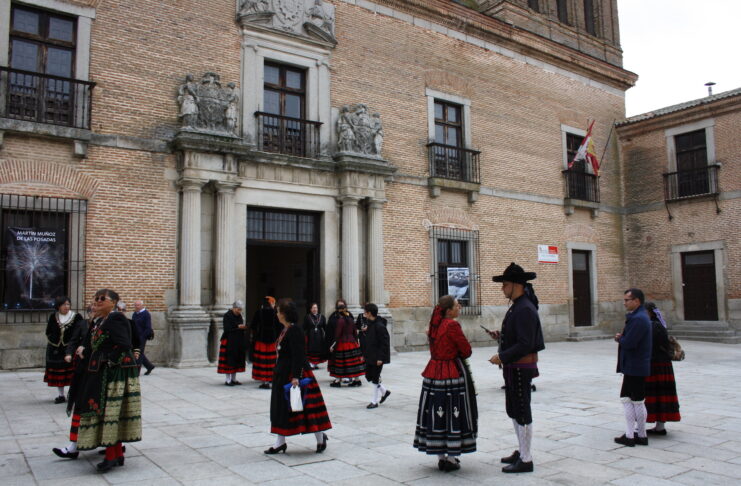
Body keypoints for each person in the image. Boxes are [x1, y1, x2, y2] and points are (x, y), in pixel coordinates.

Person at [53, 288, 142, 472]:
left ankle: (112, 456)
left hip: (112, 376)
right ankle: (116, 455)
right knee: (108, 414)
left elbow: (124, 344)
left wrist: (105, 359)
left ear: (114, 302)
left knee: (110, 413)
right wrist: (85, 350)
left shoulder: (116, 318)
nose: (98, 301)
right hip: (101, 373)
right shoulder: (99, 320)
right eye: (96, 298)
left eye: (103, 298)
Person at [488, 263, 545, 473]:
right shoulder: (518, 306)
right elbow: (517, 335)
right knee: (514, 409)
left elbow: (526, 343)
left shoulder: (525, 308)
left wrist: (501, 356)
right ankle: (521, 450)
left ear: (516, 285)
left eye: (505, 285)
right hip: (514, 367)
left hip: (521, 367)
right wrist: (501, 336)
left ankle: (526, 458)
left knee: (522, 410)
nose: (502, 289)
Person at [413, 295, 477, 472]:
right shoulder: (452, 325)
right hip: (450, 372)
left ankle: (440, 456)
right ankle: (452, 456)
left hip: (433, 373)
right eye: (457, 305)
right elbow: (466, 350)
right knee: (453, 412)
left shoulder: (434, 325)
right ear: (449, 310)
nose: (460, 308)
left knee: (435, 411)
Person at [265, 298, 332, 455]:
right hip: (282, 373)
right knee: (282, 409)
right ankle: (280, 442)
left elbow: (299, 354)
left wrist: (295, 376)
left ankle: (320, 437)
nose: (276, 314)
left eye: (278, 311)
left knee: (307, 408)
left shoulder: (295, 330)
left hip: (294, 374)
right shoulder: (285, 329)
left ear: (284, 314)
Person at [614, 288, 652, 447]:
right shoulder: (640, 317)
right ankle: (640, 434)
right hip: (637, 365)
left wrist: (620, 339)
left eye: (627, 300)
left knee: (629, 399)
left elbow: (630, 343)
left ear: (636, 301)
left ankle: (631, 435)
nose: (624, 303)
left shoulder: (638, 319)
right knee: (636, 400)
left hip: (634, 365)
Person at [644, 302, 681, 435]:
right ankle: (660, 426)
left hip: (656, 365)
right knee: (661, 395)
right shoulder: (658, 325)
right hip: (661, 365)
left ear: (650, 313)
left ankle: (658, 426)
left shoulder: (653, 326)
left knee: (656, 395)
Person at [44, 296, 86, 403]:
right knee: (59, 373)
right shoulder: (53, 317)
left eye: (68, 304)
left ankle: (73, 394)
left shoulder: (76, 317)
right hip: (56, 349)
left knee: (72, 372)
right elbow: (48, 331)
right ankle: (61, 395)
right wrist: (54, 341)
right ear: (58, 306)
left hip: (71, 348)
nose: (66, 307)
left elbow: (81, 332)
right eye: (64, 305)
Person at [359, 303, 391, 409]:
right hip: (369, 355)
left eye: (365, 312)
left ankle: (374, 401)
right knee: (368, 376)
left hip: (377, 357)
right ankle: (384, 391)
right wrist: (364, 354)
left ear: (369, 313)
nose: (364, 314)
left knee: (375, 378)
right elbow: (368, 341)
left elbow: (384, 343)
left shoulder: (380, 326)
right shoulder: (370, 324)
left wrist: (381, 358)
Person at [327, 301, 364, 387]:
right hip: (352, 343)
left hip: (343, 344)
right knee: (354, 363)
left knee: (340, 363)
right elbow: (355, 333)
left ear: (339, 311)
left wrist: (333, 345)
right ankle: (357, 380)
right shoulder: (351, 320)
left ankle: (337, 381)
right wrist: (357, 343)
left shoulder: (340, 321)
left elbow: (337, 335)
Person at [251, 296, 282, 388]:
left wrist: (255, 336)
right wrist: (278, 338)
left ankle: (264, 381)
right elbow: (279, 327)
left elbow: (253, 326)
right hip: (272, 339)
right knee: (272, 360)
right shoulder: (275, 313)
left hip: (261, 339)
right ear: (271, 303)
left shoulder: (259, 312)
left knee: (262, 360)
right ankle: (271, 378)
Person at [218, 301, 248, 386]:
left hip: (238, 340)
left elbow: (240, 324)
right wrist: (237, 326)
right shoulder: (227, 315)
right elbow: (227, 328)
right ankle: (228, 380)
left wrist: (242, 327)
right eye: (238, 309)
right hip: (229, 341)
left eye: (241, 310)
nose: (239, 311)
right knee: (229, 360)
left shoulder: (239, 316)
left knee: (236, 360)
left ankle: (234, 379)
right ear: (234, 308)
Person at [132, 300, 155, 375]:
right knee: (138, 352)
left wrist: (142, 337)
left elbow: (148, 327)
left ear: (142, 305)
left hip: (142, 337)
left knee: (138, 353)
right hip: (135, 337)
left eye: (138, 305)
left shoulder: (146, 314)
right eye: (135, 305)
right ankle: (149, 366)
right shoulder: (135, 314)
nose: (136, 307)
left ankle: (136, 371)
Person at [303, 302, 327, 369]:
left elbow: (325, 327)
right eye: (313, 308)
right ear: (310, 309)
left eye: (316, 308)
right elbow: (304, 327)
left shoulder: (322, 317)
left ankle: (316, 363)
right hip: (310, 336)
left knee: (319, 349)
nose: (315, 309)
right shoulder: (307, 317)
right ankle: (311, 363)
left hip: (319, 336)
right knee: (311, 349)